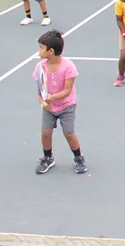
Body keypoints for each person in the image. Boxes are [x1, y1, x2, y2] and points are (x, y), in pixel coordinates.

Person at [34, 30, 87, 175]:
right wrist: (43, 102)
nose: (39, 50)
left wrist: (52, 98)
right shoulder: (40, 67)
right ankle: (47, 158)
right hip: (49, 108)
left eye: (41, 47)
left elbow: (67, 90)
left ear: (51, 51)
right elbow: (40, 89)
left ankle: (78, 158)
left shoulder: (68, 67)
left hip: (66, 106)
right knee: (45, 133)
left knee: (69, 133)